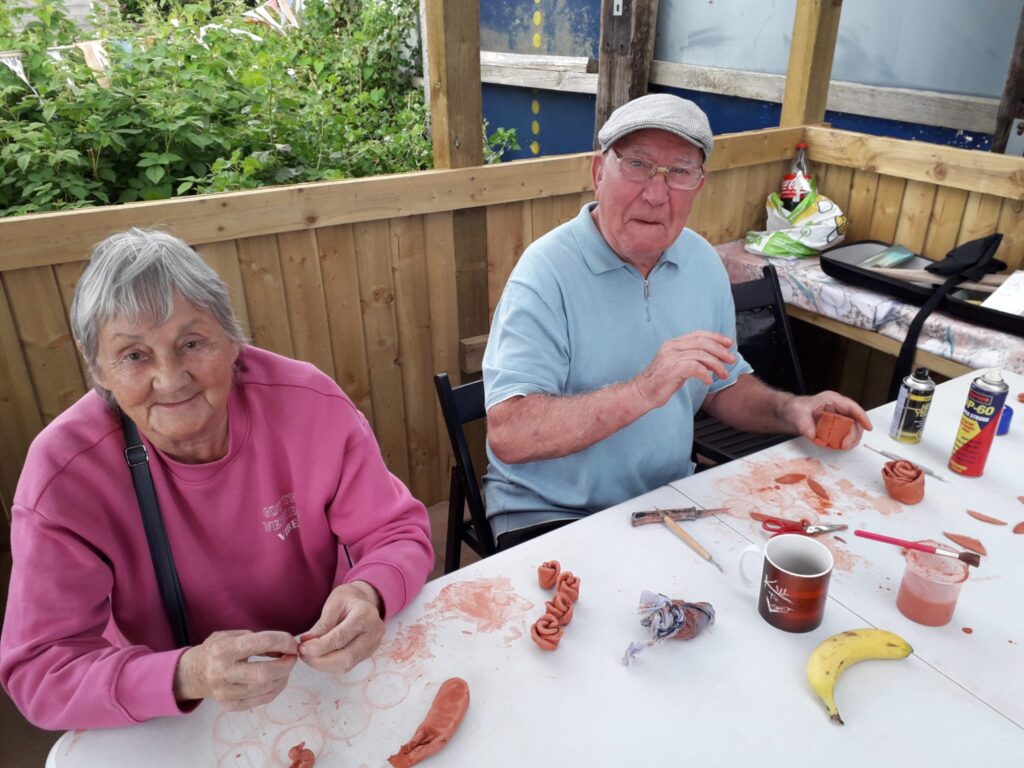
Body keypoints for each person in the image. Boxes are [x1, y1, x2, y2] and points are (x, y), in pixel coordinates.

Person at [0, 229, 433, 730]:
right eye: (134, 355)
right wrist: (188, 674)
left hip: (323, 673)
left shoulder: (309, 403)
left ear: (232, 341)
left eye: (192, 343)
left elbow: (397, 532)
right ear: (96, 366)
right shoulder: (62, 474)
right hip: (166, 709)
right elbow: (41, 670)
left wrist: (369, 593)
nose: (171, 379)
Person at [483, 94, 871, 547]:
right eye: (637, 164)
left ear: (698, 185)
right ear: (598, 174)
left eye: (680, 172)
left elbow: (722, 385)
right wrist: (644, 389)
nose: (655, 193)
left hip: (667, 500)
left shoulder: (702, 262)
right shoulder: (545, 272)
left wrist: (793, 410)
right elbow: (510, 434)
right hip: (550, 514)